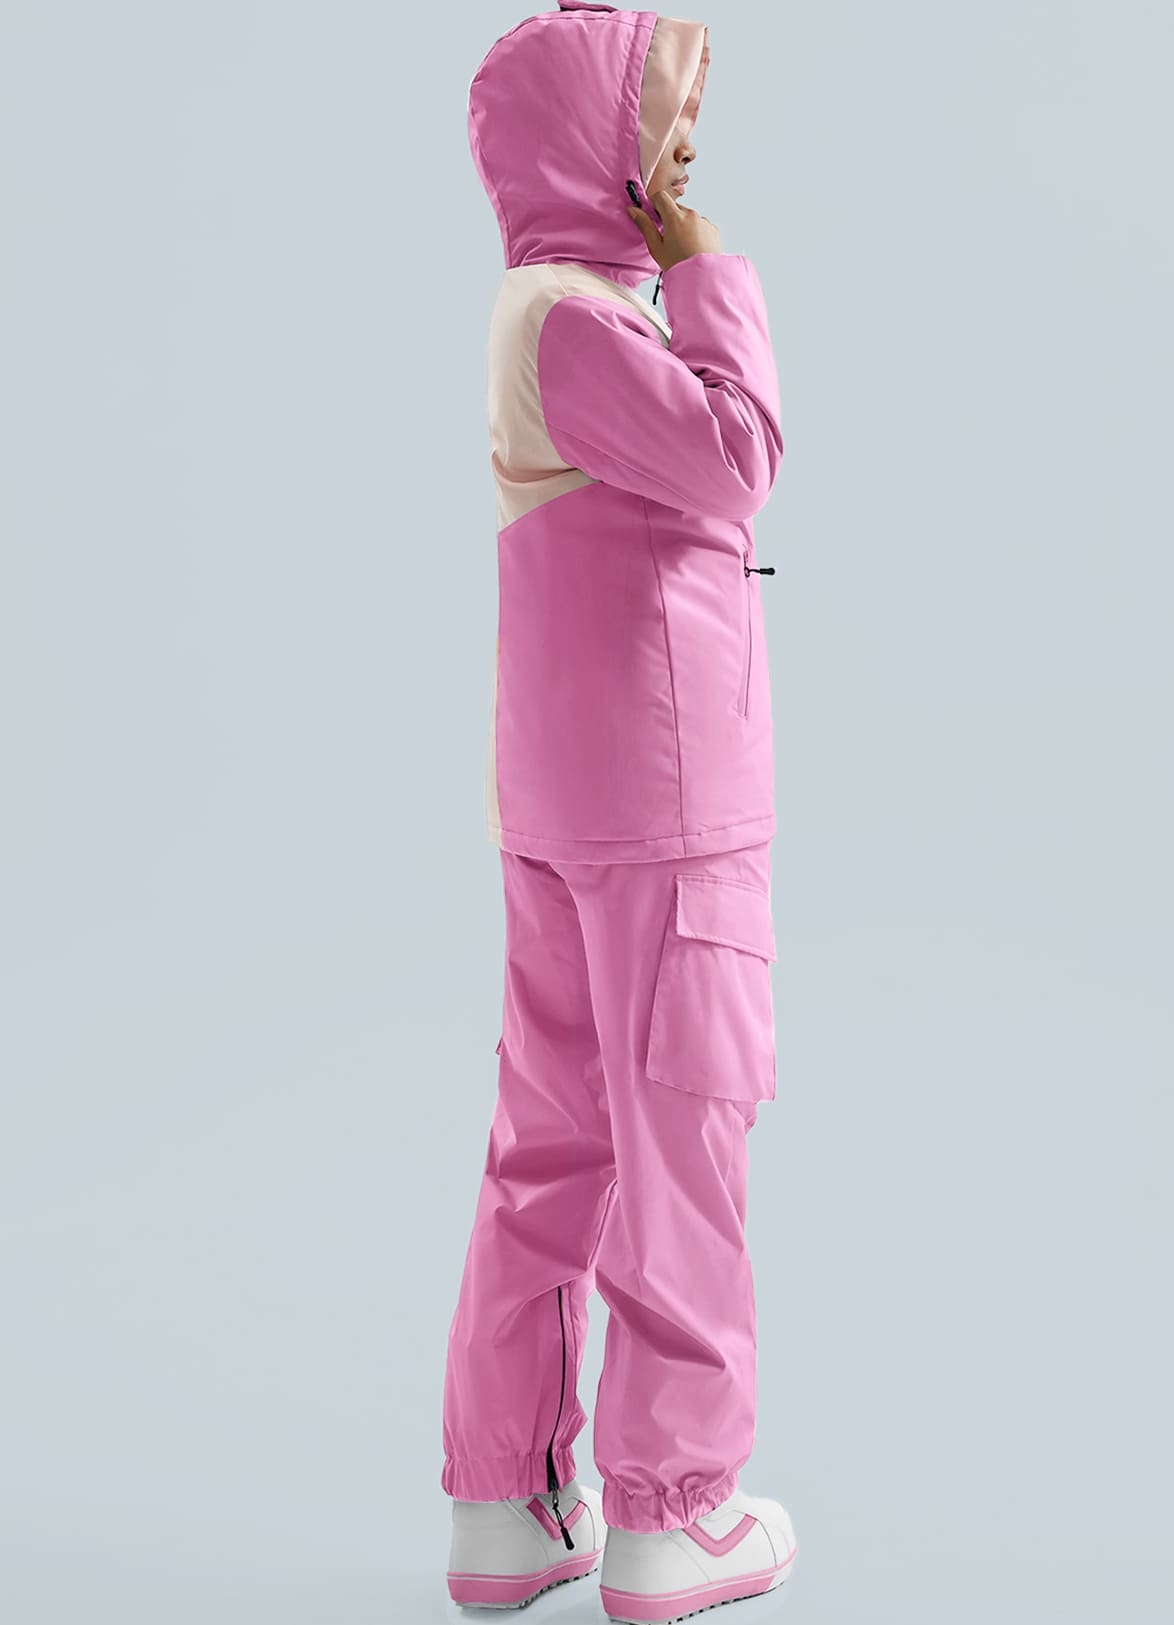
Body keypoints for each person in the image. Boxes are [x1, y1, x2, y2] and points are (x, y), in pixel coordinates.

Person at [441, 4, 797, 1619]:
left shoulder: (550, 311)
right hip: (661, 808)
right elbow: (738, 456)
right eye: (662, 113)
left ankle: (509, 1502)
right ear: (590, 144)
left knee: (554, 1144)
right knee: (681, 1144)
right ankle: (675, 1512)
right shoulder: (583, 321)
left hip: (566, 796)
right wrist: (713, 275)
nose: (685, 145)